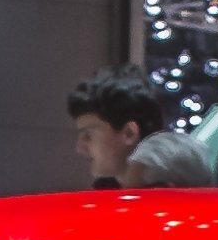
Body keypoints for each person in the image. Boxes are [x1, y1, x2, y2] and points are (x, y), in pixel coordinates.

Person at [64, 73, 209, 190]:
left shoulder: (166, 194)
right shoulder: (105, 196)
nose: (79, 147)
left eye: (89, 135)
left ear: (129, 133)